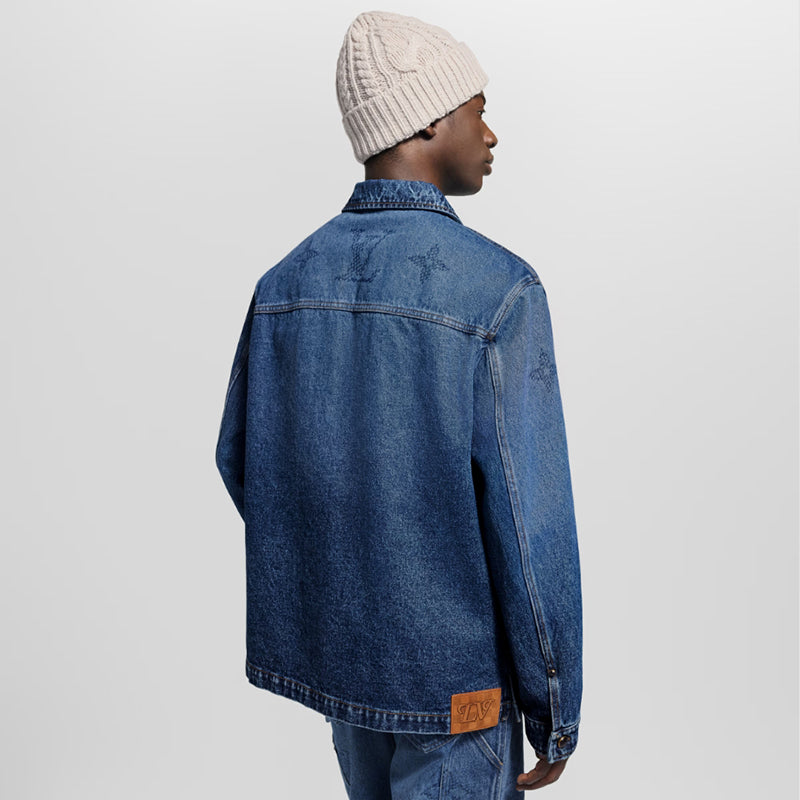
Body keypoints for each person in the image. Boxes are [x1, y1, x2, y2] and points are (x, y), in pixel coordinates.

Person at [216, 10, 583, 797]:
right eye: (479, 110)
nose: (491, 134)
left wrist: (348, 571)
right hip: (459, 689)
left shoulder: (283, 283)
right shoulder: (498, 289)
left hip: (349, 672)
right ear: (426, 120)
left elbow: (242, 460)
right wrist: (554, 707)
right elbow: (530, 526)